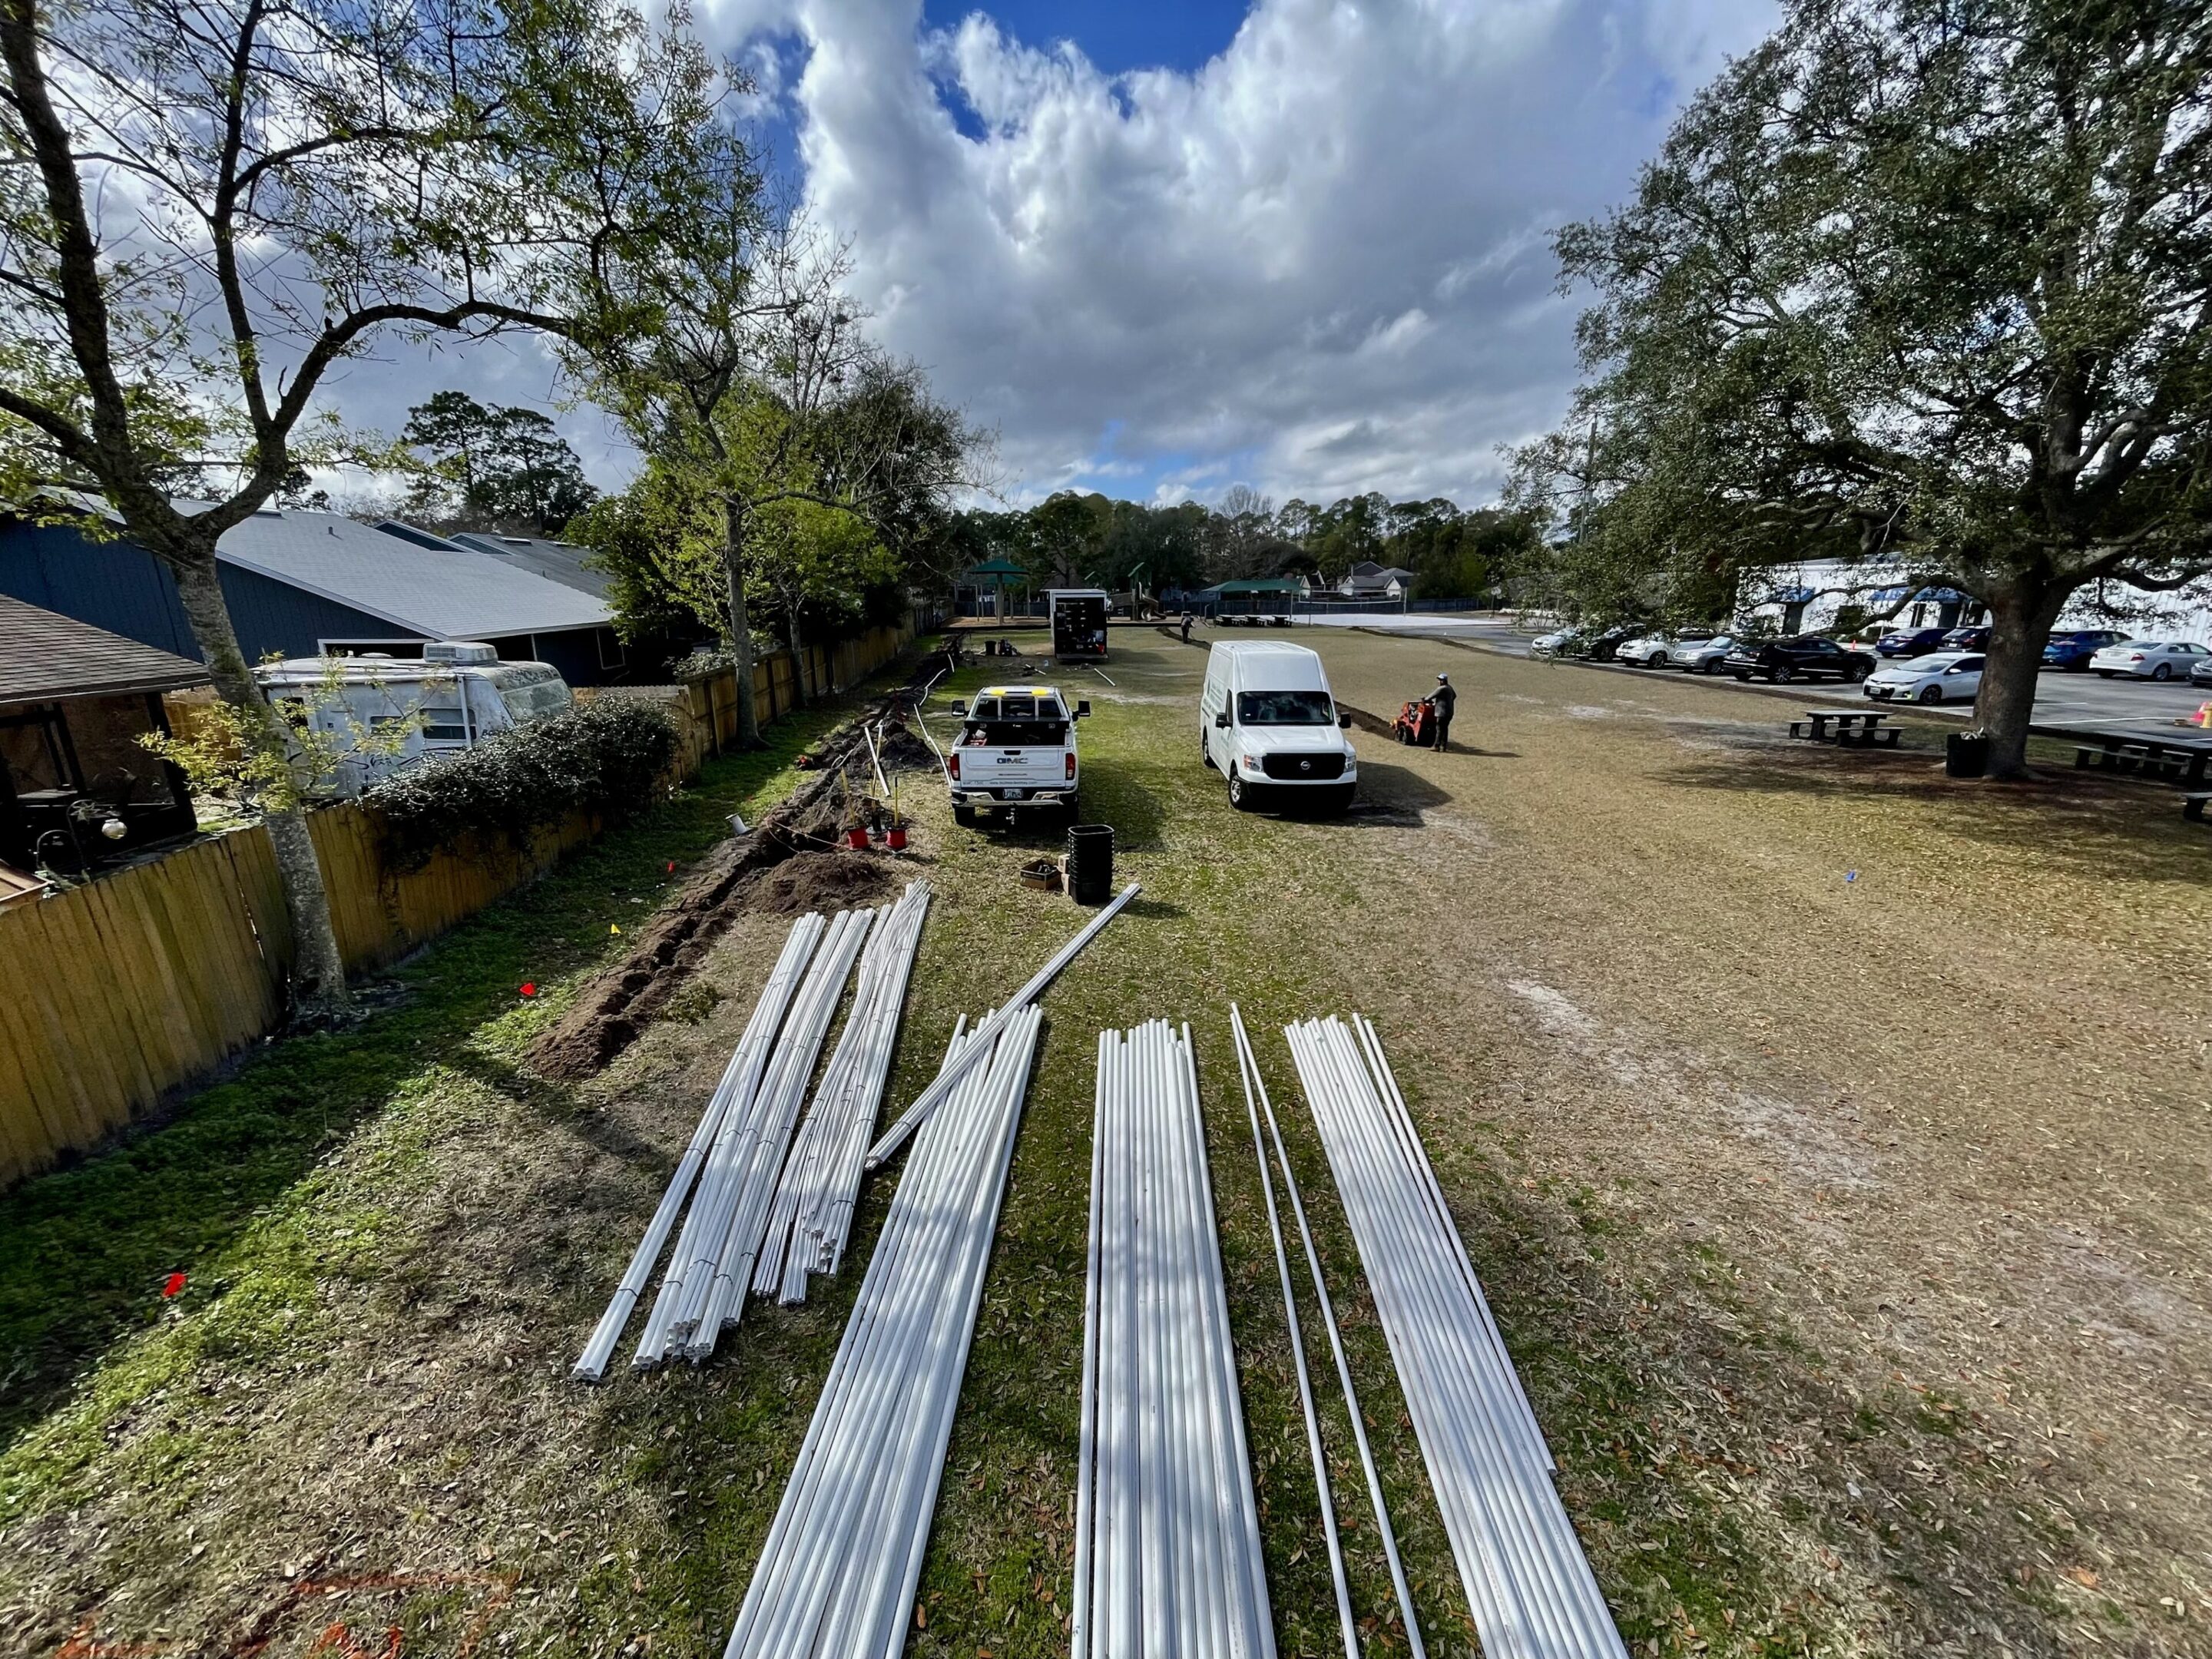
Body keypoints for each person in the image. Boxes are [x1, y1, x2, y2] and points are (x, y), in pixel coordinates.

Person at [1427, 671, 1456, 751]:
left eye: (1440, 680)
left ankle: (1437, 746)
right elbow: (1454, 696)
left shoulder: (1441, 689)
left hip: (1441, 713)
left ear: (1443, 681)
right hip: (1449, 713)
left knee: (1439, 729)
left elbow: (1431, 696)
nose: (1439, 682)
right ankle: (1444, 746)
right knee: (1445, 729)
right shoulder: (1450, 688)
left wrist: (1425, 700)